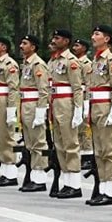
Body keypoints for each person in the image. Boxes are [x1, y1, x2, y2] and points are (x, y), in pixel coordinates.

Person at [85, 25, 112, 205]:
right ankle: (102, 188)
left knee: (109, 151)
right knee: (99, 151)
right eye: (93, 33)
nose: (93, 37)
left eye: (97, 34)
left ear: (107, 39)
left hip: (106, 107)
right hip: (95, 107)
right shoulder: (95, 61)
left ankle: (110, 192)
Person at [47, 30, 86, 198]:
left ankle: (75, 184)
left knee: (70, 143)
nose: (54, 40)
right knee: (60, 144)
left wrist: (78, 109)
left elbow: (77, 87)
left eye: (57, 38)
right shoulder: (53, 60)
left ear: (66, 41)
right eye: (53, 37)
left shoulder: (71, 61)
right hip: (55, 103)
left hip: (66, 103)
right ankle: (67, 180)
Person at [18, 34, 50, 192]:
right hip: (25, 104)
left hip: (33, 105)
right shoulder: (26, 64)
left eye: (25, 43)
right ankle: (33, 175)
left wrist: (40, 111)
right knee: (30, 143)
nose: (21, 46)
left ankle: (40, 178)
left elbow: (43, 90)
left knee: (38, 142)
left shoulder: (38, 64)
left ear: (33, 47)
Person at [0, 36, 21, 187]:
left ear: (4, 47)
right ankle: (4, 170)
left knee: (6, 137)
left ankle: (11, 173)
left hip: (3, 100)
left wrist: (11, 109)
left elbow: (13, 89)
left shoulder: (9, 64)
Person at [71, 36, 94, 171]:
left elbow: (89, 83)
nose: (74, 48)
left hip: (84, 95)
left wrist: (87, 103)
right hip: (76, 96)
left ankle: (88, 157)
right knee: (78, 128)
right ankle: (81, 154)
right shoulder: (74, 61)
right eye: (74, 46)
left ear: (84, 49)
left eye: (77, 46)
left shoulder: (86, 63)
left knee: (85, 129)